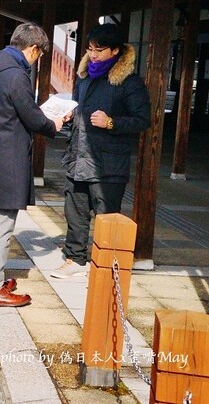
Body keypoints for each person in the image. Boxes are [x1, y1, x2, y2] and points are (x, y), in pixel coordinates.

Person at [0, 23, 66, 309]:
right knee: (2, 226)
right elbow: (32, 117)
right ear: (33, 49)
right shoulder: (16, 76)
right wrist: (54, 123)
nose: (37, 61)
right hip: (8, 161)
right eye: (39, 55)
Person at [51, 23, 151, 279]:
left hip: (108, 164)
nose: (92, 55)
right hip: (78, 157)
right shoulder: (84, 77)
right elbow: (78, 107)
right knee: (75, 213)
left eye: (99, 50)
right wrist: (71, 114)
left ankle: (106, 268)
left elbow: (142, 120)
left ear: (116, 50)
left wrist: (111, 122)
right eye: (89, 49)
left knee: (107, 218)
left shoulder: (129, 82)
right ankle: (75, 259)